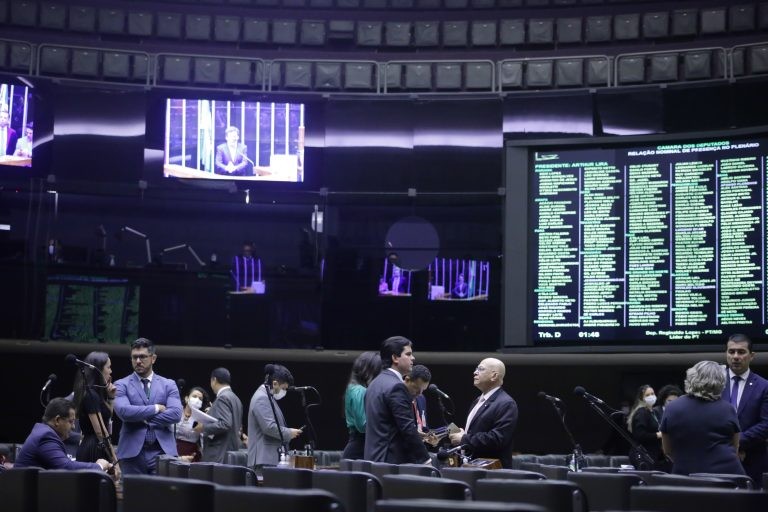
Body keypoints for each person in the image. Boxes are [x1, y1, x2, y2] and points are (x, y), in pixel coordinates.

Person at [661, 360, 744, 475]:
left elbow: (667, 450)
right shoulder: (728, 409)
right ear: (721, 382)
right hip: (727, 477)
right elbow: (735, 448)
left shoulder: (672, 408)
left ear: (691, 378)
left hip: (685, 477)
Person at [114, 337, 182, 475]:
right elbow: (123, 412)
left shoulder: (168, 384)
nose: (138, 361)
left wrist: (140, 417)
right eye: (134, 357)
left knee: (161, 496)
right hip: (132, 454)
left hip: (162, 452)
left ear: (153, 358)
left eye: (143, 357)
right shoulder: (121, 384)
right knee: (132, 496)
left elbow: (176, 414)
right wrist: (156, 408)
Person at [364, 336, 431, 464]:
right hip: (390, 463)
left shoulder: (374, 383)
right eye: (408, 354)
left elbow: (384, 424)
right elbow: (407, 428)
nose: (413, 358)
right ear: (395, 358)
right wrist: (426, 460)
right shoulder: (397, 386)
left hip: (372, 460)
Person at [449, 358, 518, 469]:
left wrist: (464, 438)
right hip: (471, 468)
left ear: (494, 376)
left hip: (492, 474)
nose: (475, 372)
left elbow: (497, 439)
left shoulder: (506, 403)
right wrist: (463, 434)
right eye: (476, 368)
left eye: (480, 369)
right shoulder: (478, 400)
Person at [14, 398, 111, 471]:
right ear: (57, 420)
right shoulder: (46, 436)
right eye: (71, 421)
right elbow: (65, 467)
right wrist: (99, 466)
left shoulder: (43, 431)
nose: (73, 427)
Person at [723, 333, 768, 487]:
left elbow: (766, 424)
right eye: (731, 351)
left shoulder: (764, 386)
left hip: (752, 461)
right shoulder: (714, 384)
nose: (735, 356)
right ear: (726, 354)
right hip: (717, 461)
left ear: (752, 355)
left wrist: (737, 443)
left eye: (741, 352)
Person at [247, 364, 303, 470]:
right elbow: (269, 427)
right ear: (275, 383)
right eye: (283, 388)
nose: (284, 392)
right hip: (263, 460)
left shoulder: (268, 397)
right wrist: (289, 433)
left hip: (268, 459)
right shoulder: (261, 398)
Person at [72, 351, 118, 465]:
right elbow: (101, 432)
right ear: (98, 370)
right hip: (94, 448)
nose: (111, 371)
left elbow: (108, 418)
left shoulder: (95, 393)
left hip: (96, 445)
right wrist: (114, 460)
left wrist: (111, 398)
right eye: (109, 367)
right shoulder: (91, 395)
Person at [196, 367, 243, 463]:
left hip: (220, 453)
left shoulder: (223, 398)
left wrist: (203, 427)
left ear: (214, 380)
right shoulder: (235, 398)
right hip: (232, 451)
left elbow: (225, 423)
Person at [342, 351, 382, 460]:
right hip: (359, 450)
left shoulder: (355, 388)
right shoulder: (359, 390)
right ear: (369, 370)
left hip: (360, 447)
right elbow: (362, 425)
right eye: (378, 371)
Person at [627, 384, 665, 471]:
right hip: (643, 455)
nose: (651, 396)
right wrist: (658, 435)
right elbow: (640, 435)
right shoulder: (641, 412)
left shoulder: (652, 412)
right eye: (647, 395)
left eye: (652, 393)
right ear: (642, 398)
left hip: (652, 454)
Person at [176, 386, 210, 462]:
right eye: (194, 396)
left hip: (191, 455)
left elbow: (205, 441)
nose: (197, 400)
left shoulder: (202, 418)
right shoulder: (176, 411)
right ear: (186, 398)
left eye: (200, 399)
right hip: (172, 451)